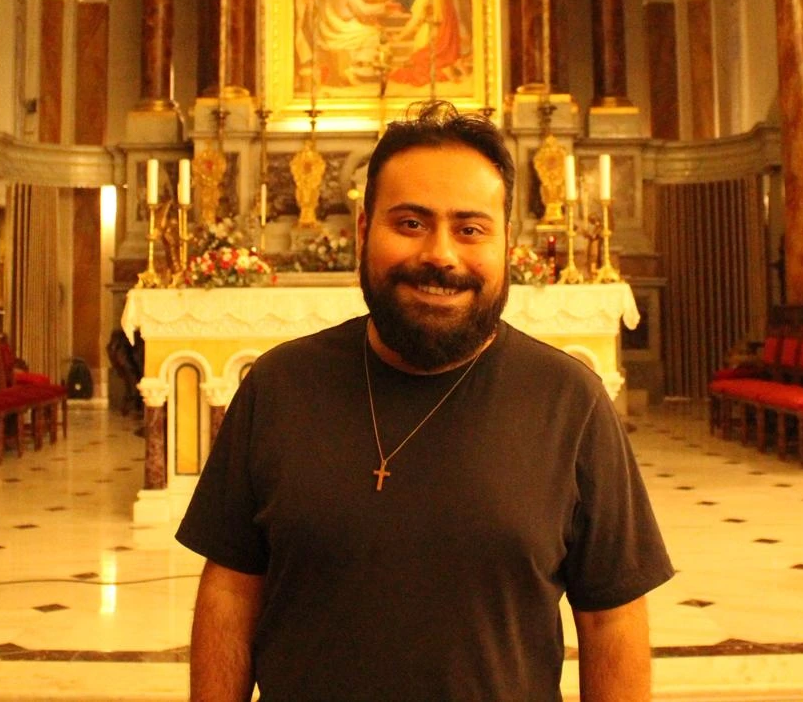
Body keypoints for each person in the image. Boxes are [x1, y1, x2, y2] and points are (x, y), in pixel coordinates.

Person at [178, 101, 673, 702]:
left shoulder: (570, 401)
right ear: (364, 231)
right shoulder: (278, 386)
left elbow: (612, 618)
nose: (441, 254)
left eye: (470, 228)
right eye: (410, 223)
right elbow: (231, 589)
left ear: (504, 242)